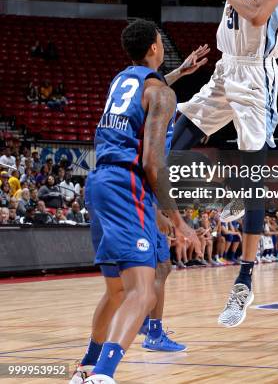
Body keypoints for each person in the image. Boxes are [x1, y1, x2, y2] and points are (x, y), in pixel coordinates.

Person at [171, 0, 278, 327]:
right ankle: (169, 213)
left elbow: (261, 13)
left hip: (255, 77)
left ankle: (244, 280)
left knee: (253, 180)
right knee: (173, 144)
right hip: (226, 68)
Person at [70, 19, 202, 384]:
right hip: (128, 184)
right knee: (142, 293)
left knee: (117, 291)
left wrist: (178, 72)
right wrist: (177, 220)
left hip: (98, 182)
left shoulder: (122, 80)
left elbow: (148, 95)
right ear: (156, 48)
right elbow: (152, 163)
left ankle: (85, 368)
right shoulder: (161, 94)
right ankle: (103, 375)